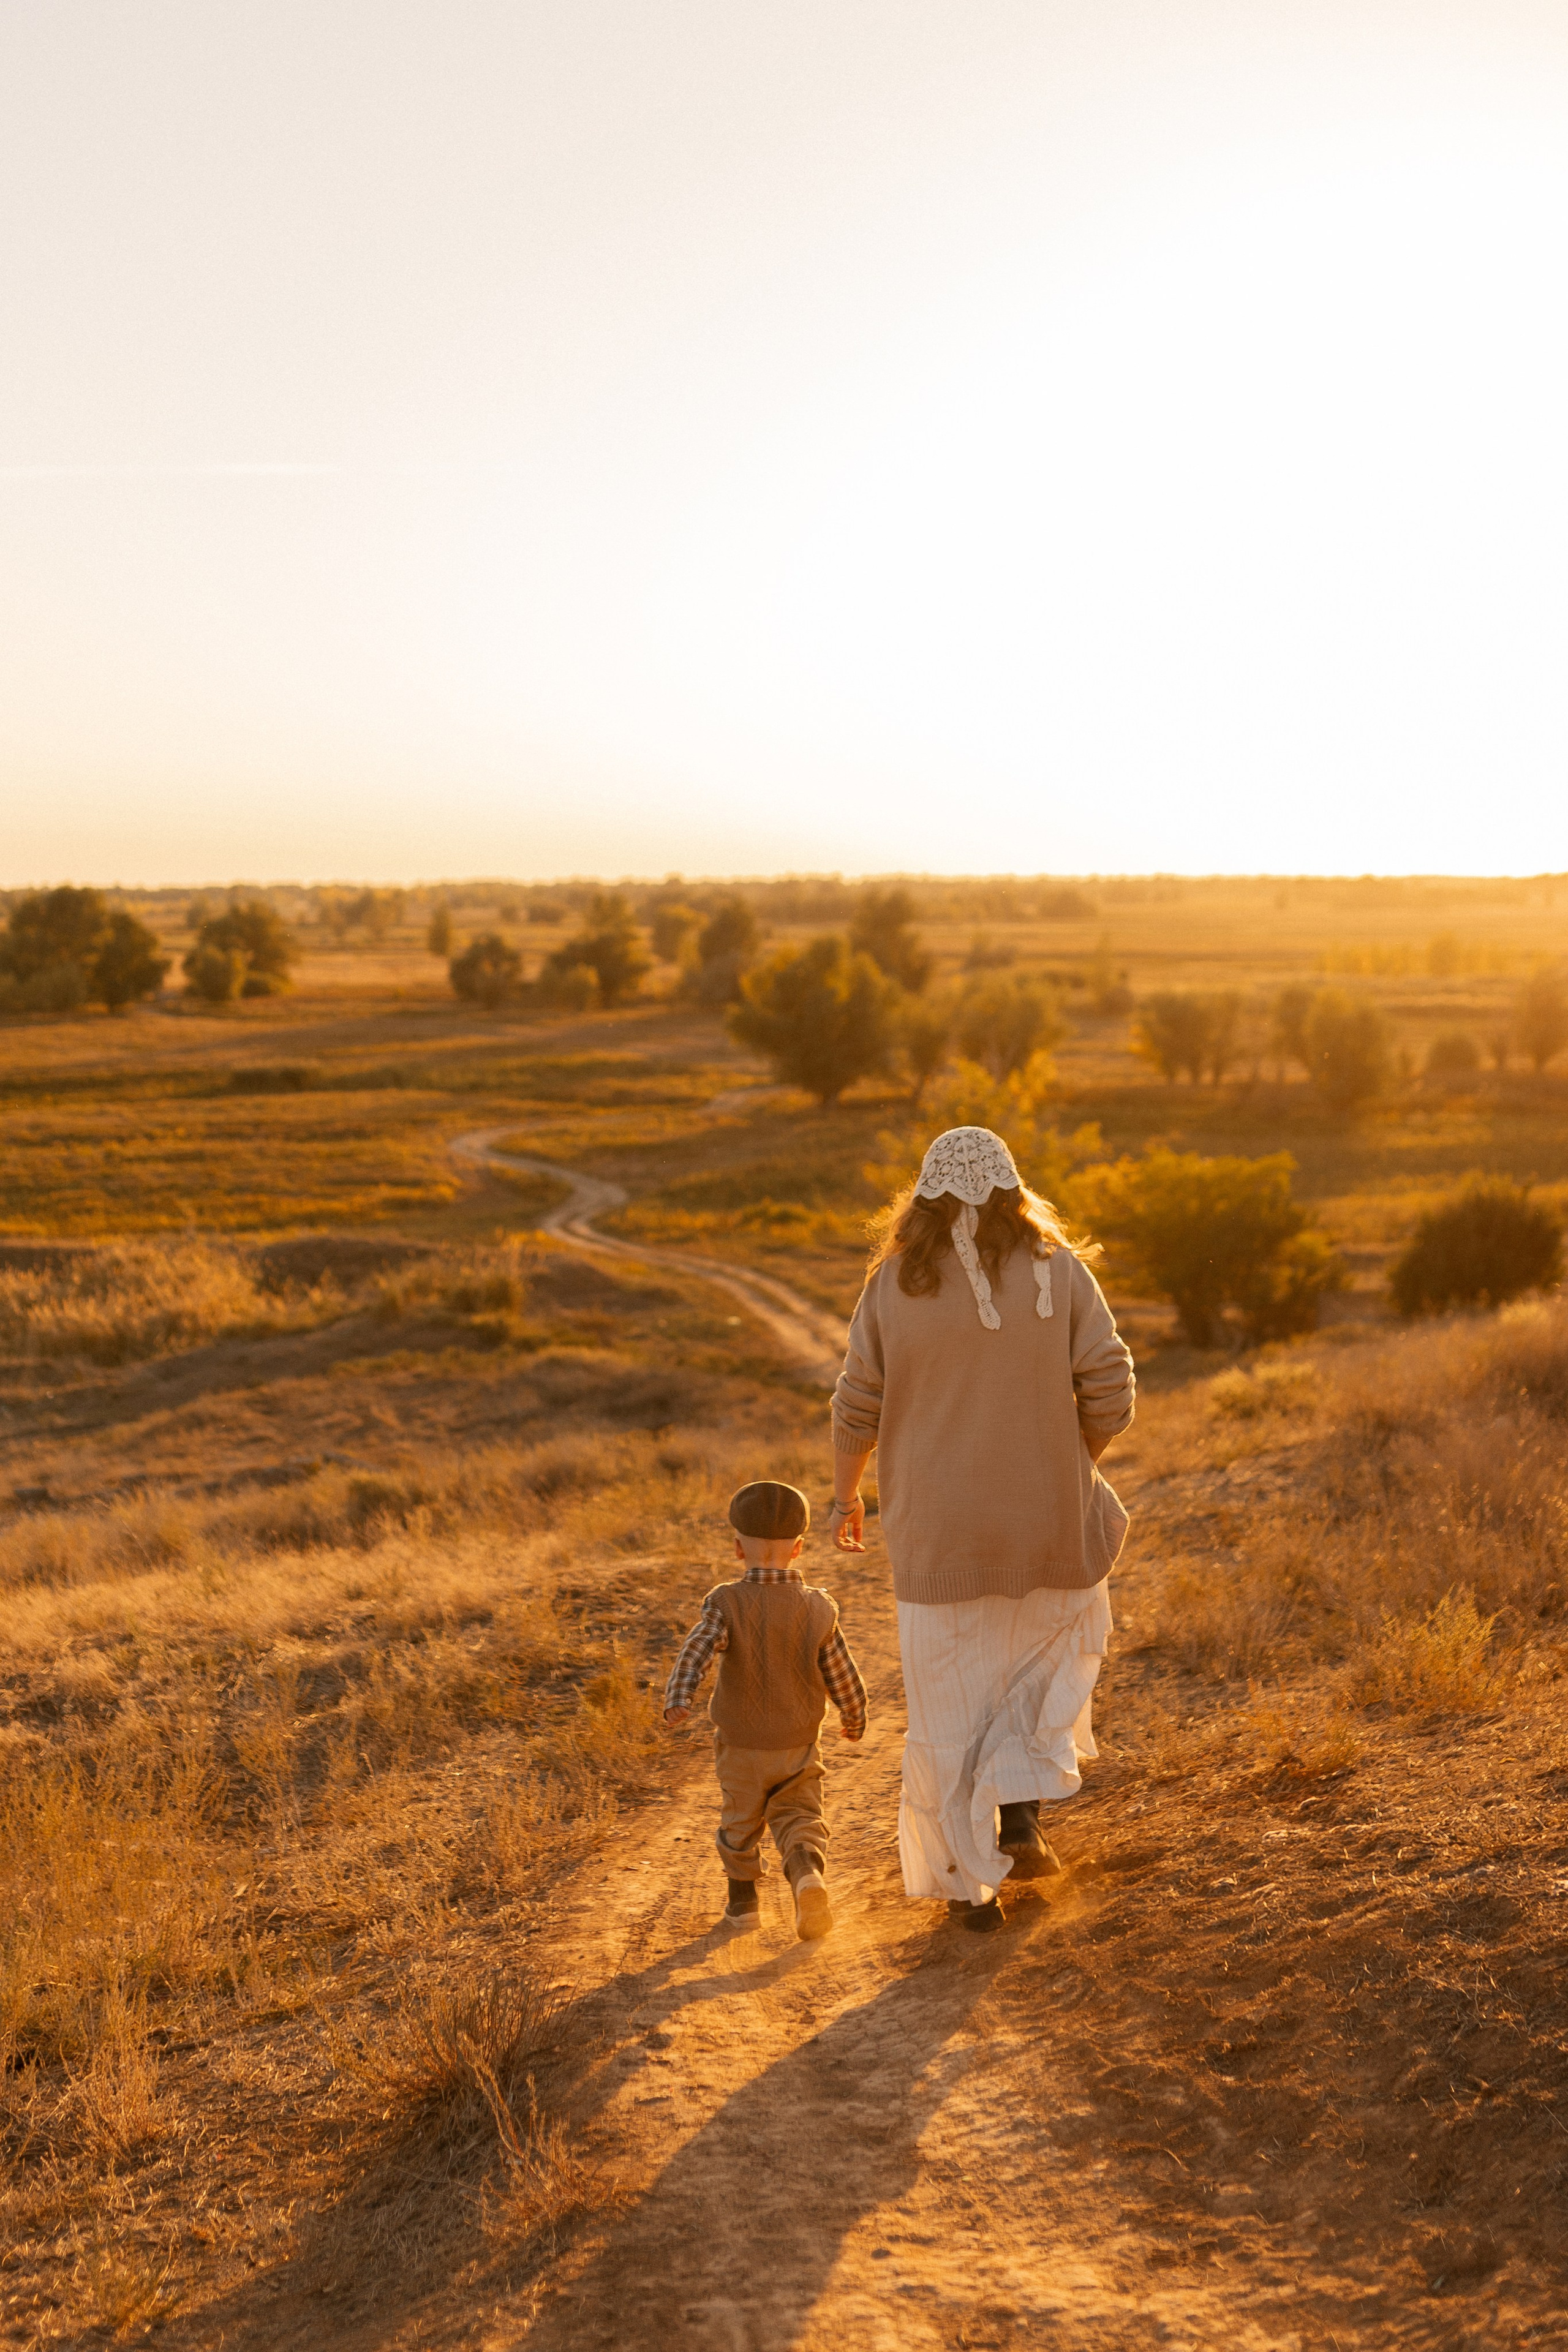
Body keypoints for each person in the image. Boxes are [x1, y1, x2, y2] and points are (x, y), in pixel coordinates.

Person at [829, 1125, 1134, 1932]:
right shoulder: (1059, 1271)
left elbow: (856, 1401)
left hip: (939, 1534)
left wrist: (845, 1497)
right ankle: (1023, 1822)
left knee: (953, 1699)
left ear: (924, 1197)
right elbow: (1112, 1385)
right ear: (1012, 1189)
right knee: (1037, 1661)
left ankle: (972, 1887)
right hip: (1046, 1521)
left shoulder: (896, 1282)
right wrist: (1073, 1462)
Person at [664, 1479, 867, 1939]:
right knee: (800, 1817)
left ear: (738, 1548)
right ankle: (806, 1877)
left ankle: (744, 1906)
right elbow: (842, 1671)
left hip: (741, 1745)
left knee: (741, 1819)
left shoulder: (725, 1603)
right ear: (798, 1549)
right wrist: (854, 1716)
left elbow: (696, 1649)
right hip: (798, 1742)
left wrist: (680, 1696)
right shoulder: (818, 1608)